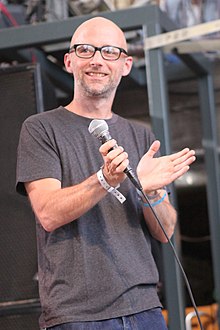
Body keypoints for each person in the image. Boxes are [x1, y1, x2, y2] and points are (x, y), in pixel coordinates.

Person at [16, 16, 196, 330]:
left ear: (125, 65)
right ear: (69, 61)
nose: (98, 60)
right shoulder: (41, 128)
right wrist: (104, 179)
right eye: (86, 50)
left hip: (145, 309)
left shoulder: (141, 136)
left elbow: (164, 231)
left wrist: (151, 193)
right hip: (78, 315)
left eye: (109, 52)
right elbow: (47, 212)